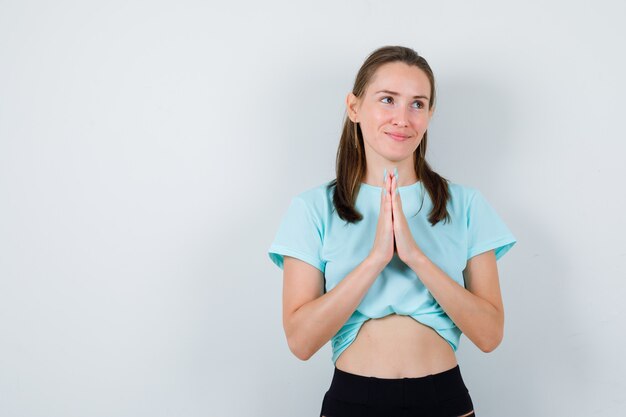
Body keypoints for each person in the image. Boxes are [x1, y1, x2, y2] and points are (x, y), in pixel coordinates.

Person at [268, 45, 517, 417]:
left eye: (418, 104)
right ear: (354, 107)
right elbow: (301, 342)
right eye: (388, 100)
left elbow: (489, 335)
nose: (403, 118)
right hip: (353, 399)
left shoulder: (465, 204)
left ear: (430, 114)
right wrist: (376, 259)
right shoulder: (312, 208)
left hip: (443, 397)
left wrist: (416, 257)